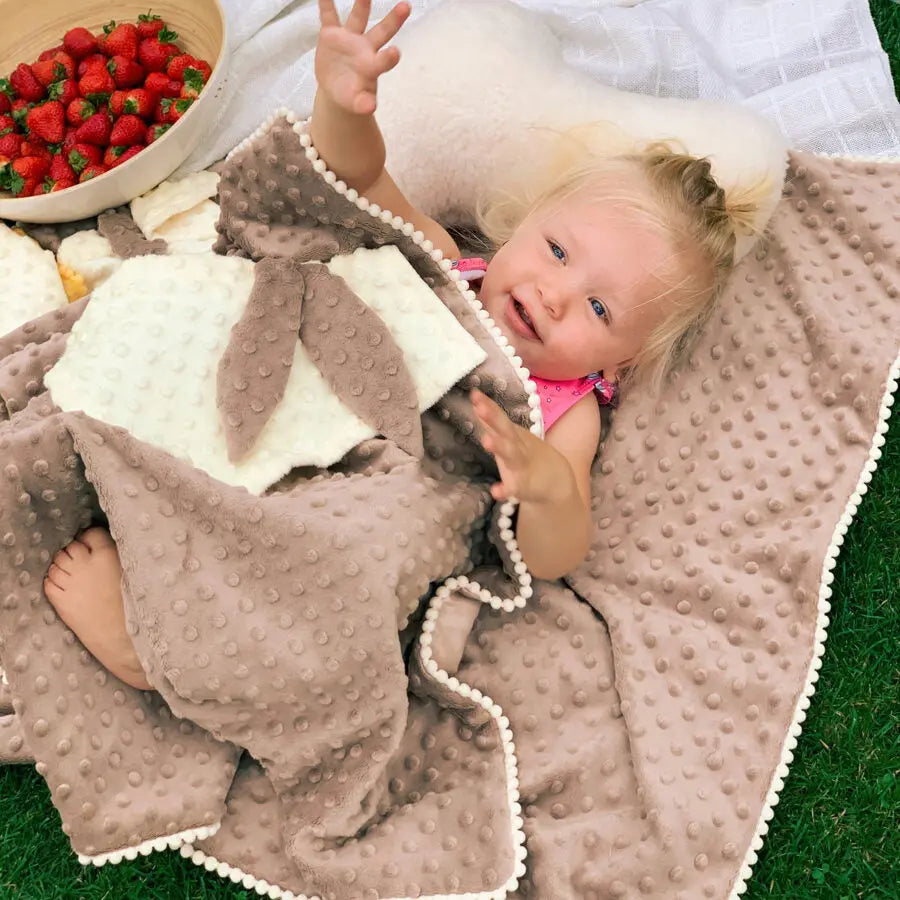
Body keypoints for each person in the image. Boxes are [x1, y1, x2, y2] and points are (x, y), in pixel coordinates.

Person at [42, 0, 759, 690]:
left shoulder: (568, 413)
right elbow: (357, 179)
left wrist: (545, 491)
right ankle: (112, 470)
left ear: (617, 362)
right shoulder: (444, 260)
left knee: (351, 571)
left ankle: (160, 649)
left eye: (598, 307)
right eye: (557, 250)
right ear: (521, 225)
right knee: (191, 331)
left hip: (387, 491)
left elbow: (556, 554)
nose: (554, 292)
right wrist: (344, 103)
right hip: (301, 398)